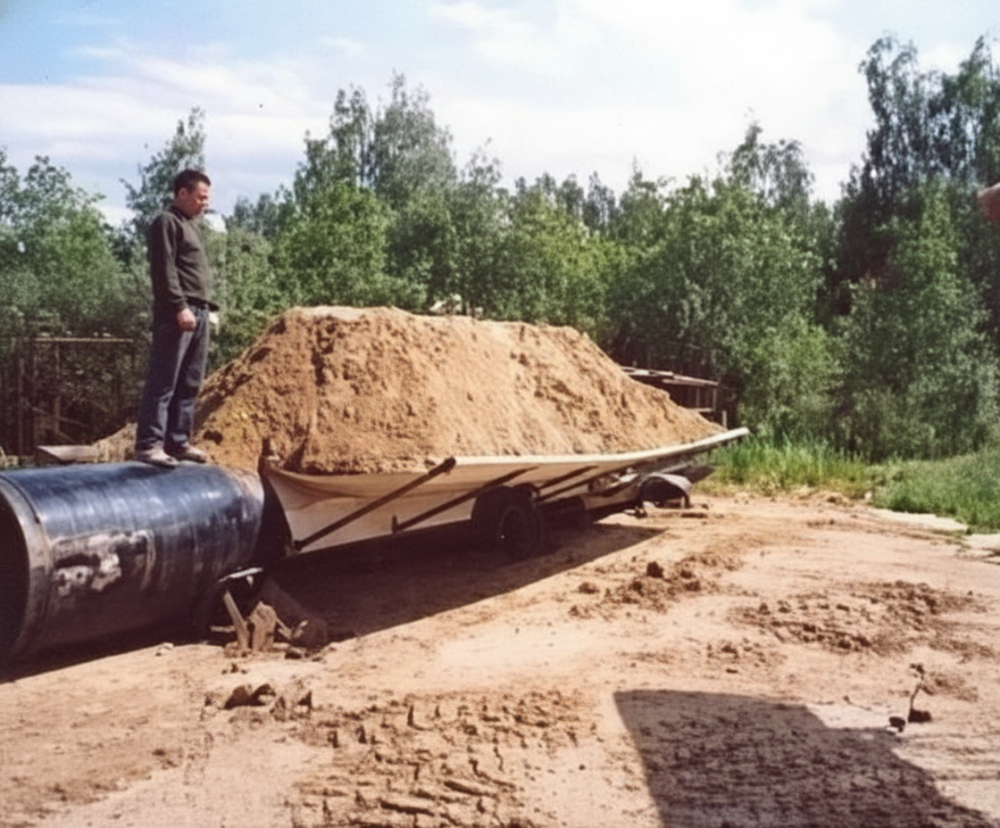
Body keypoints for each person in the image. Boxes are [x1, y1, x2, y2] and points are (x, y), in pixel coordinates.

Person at [134, 169, 217, 468]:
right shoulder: (166, 222)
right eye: (200, 197)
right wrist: (179, 306)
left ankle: (177, 442)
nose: (204, 203)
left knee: (190, 382)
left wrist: (207, 308)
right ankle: (149, 445)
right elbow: (164, 271)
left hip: (199, 312)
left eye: (207, 199)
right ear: (181, 193)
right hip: (178, 313)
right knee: (164, 380)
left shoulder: (189, 225)